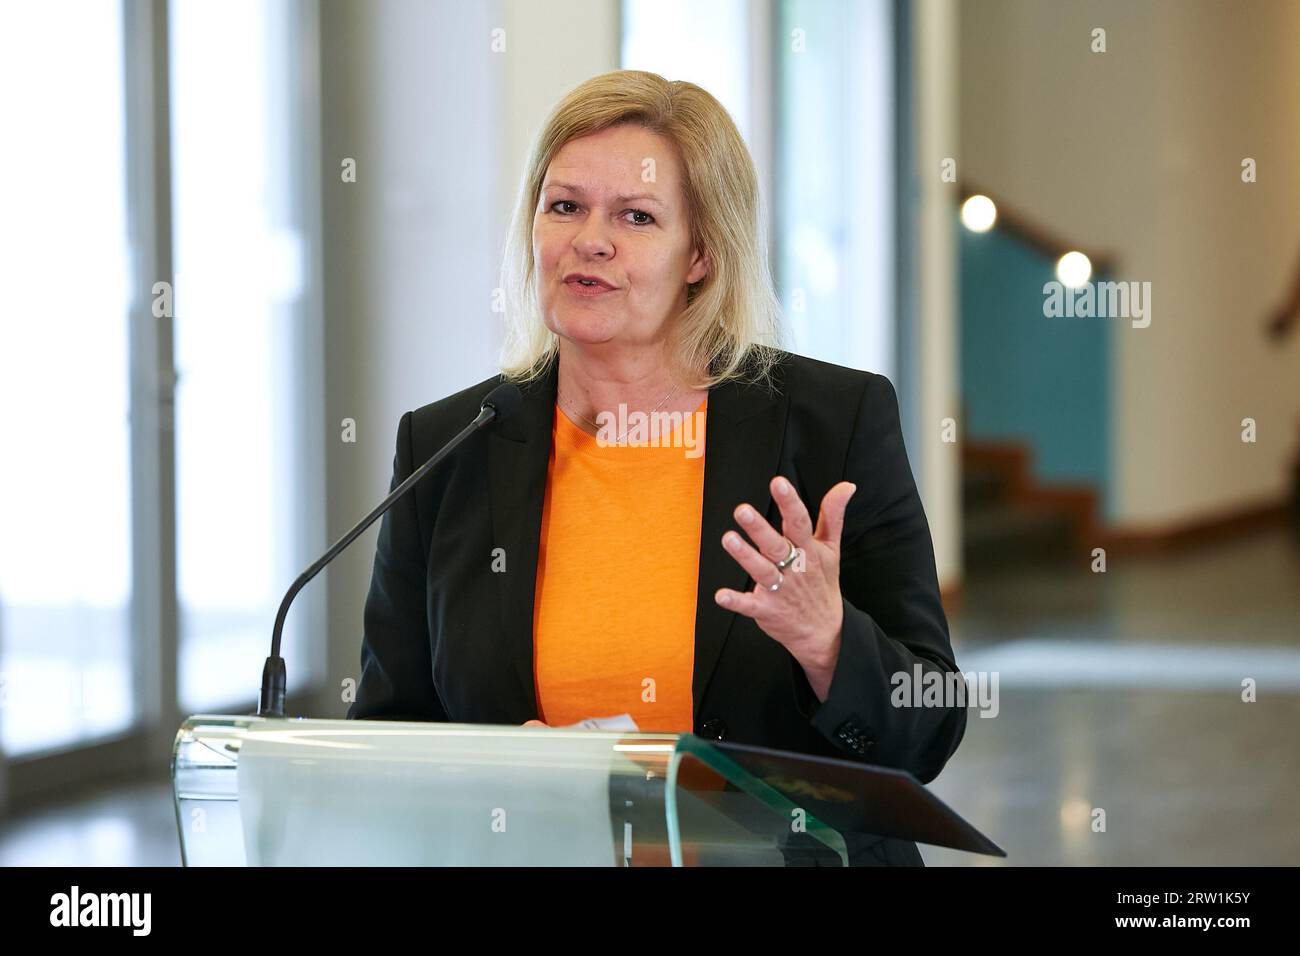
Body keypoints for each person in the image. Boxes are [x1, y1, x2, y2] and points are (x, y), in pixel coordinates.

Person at [347, 69, 967, 866]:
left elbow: (931, 727)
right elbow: (388, 739)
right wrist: (504, 778)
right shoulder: (448, 445)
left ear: (702, 253)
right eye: (564, 205)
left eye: (636, 216)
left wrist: (830, 642)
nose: (590, 240)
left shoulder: (830, 424)